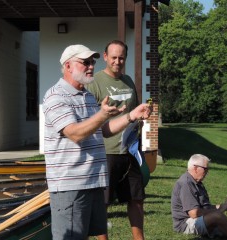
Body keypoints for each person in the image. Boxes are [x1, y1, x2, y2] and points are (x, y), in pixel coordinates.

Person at [42, 44, 152, 240]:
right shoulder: (56, 96)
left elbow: (101, 131)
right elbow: (74, 133)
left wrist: (131, 116)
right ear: (68, 66)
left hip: (92, 182)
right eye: (85, 62)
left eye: (92, 62)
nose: (91, 66)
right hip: (71, 185)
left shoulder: (87, 96)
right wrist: (102, 115)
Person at [86, 40, 145, 240]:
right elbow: (89, 120)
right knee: (104, 202)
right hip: (106, 151)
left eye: (121, 58)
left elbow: (133, 112)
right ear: (105, 57)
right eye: (113, 57)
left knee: (136, 199)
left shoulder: (128, 81)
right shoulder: (94, 83)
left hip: (130, 150)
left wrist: (142, 115)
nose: (117, 61)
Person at [171, 154, 227, 240]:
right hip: (186, 224)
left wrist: (222, 206)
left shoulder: (197, 183)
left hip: (198, 220)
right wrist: (218, 210)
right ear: (195, 168)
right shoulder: (186, 183)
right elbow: (194, 213)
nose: (207, 172)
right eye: (205, 169)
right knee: (218, 216)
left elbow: (205, 208)